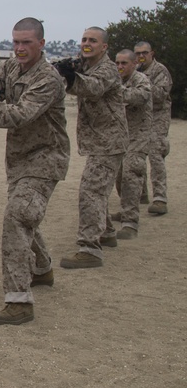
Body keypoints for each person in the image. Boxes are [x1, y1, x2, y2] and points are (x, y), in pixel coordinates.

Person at [0, 17, 70, 325]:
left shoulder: (48, 78)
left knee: (17, 216)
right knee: (26, 214)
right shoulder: (10, 67)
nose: (20, 48)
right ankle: (42, 268)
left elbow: (22, 113)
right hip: (19, 159)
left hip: (46, 158)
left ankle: (19, 301)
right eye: (16, 42)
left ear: (41, 43)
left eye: (26, 42)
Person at [59, 27, 128, 269]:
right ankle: (107, 233)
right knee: (98, 189)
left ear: (104, 47)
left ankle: (90, 249)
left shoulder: (107, 69)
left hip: (109, 141)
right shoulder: (85, 65)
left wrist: (70, 77)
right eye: (84, 39)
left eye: (93, 41)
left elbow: (91, 88)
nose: (87, 44)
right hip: (99, 140)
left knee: (90, 191)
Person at [113, 49, 153, 240]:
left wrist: (115, 91)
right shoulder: (117, 80)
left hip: (139, 135)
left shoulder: (141, 80)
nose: (120, 67)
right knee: (119, 176)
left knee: (131, 173)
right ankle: (125, 208)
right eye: (118, 63)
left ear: (134, 64)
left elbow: (139, 97)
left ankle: (130, 222)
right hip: (121, 135)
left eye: (124, 63)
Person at [135, 41, 173, 215]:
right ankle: (140, 194)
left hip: (158, 118)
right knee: (135, 155)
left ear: (152, 53)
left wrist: (142, 87)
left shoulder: (160, 71)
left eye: (144, 53)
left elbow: (160, 95)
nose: (141, 56)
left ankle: (160, 198)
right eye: (138, 53)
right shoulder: (134, 71)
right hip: (140, 119)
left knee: (156, 155)